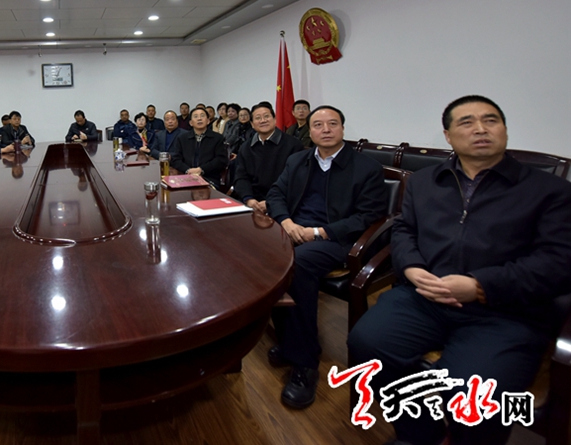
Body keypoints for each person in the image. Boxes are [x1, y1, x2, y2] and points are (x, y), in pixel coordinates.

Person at [348, 95, 571, 445]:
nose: (480, 128)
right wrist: (412, 268)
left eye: (490, 120)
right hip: (423, 297)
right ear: (448, 135)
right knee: (367, 344)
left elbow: (558, 262)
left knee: (472, 393)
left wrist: (480, 285)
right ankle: (420, 433)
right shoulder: (424, 182)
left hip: (504, 311)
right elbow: (404, 230)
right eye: (466, 122)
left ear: (504, 130)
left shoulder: (550, 191)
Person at [264, 105, 388, 409]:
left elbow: (369, 215)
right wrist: (287, 223)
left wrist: (319, 232)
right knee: (261, 254)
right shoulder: (298, 160)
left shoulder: (366, 167)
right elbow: (276, 194)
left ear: (343, 128)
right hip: (295, 231)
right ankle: (289, 340)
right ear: (310, 131)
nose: (326, 129)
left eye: (333, 124)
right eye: (318, 125)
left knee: (297, 263)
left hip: (338, 239)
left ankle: (305, 362)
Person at [233, 103, 303, 211]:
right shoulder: (246, 147)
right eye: (258, 118)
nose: (263, 120)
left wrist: (272, 202)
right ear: (252, 124)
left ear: (274, 119)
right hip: (252, 202)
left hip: (283, 202)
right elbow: (241, 177)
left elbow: (296, 181)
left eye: (266, 116)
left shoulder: (293, 145)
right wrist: (248, 198)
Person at [171, 108, 228, 182]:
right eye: (196, 116)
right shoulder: (182, 138)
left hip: (209, 178)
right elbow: (176, 159)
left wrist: (201, 169)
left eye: (202, 116)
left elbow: (221, 160)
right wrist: (188, 170)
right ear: (191, 123)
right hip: (185, 176)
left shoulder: (217, 138)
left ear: (208, 121)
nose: (199, 119)